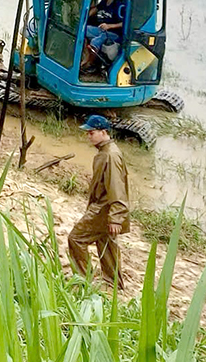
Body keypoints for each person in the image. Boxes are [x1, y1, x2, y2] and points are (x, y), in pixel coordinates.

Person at [68, 114, 130, 289]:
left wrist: (116, 217)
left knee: (76, 238)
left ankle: (84, 279)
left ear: (103, 132)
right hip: (105, 207)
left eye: (92, 132)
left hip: (104, 208)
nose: (89, 136)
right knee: (106, 243)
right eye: (88, 133)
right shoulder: (107, 152)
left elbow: (117, 186)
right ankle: (113, 282)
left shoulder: (110, 155)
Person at [82, 0, 125, 73]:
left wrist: (109, 26)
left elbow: (125, 23)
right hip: (101, 29)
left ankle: (91, 65)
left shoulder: (119, 6)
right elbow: (97, 8)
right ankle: (85, 57)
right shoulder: (104, 2)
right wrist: (85, 17)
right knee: (83, 31)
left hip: (113, 33)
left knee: (96, 41)